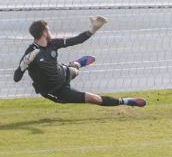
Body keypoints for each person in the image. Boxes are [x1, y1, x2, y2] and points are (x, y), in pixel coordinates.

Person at [15, 17, 146, 108]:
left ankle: (76, 64)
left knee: (75, 71)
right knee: (93, 99)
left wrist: (92, 30)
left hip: (62, 72)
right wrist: (23, 65)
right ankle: (127, 101)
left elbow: (76, 40)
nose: (50, 32)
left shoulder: (53, 44)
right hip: (56, 90)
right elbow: (16, 78)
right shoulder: (30, 54)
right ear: (44, 33)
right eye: (48, 30)